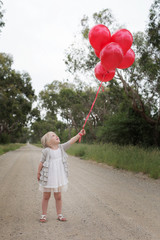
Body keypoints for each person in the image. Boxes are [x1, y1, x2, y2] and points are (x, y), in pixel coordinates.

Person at [37, 129, 86, 223]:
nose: (56, 136)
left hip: (58, 177)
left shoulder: (61, 148)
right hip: (48, 178)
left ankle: (59, 214)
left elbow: (71, 141)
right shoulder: (46, 151)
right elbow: (41, 162)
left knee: (58, 196)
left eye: (55, 135)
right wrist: (38, 172)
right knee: (46, 196)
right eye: (53, 136)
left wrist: (79, 134)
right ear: (47, 142)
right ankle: (43, 215)